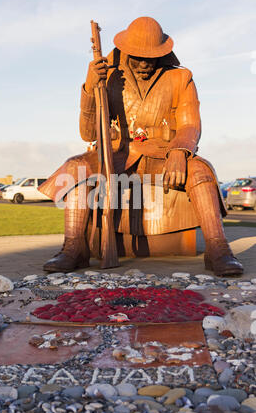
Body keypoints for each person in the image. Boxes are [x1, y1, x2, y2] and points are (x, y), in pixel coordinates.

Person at [39, 17, 243, 277]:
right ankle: (73, 248)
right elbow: (88, 133)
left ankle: (218, 250)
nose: (145, 63)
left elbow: (190, 123)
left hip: (163, 154)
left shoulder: (181, 78)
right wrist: (90, 88)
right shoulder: (107, 76)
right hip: (118, 155)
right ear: (125, 51)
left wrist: (180, 151)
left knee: (201, 171)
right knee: (77, 167)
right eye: (138, 57)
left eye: (151, 57)